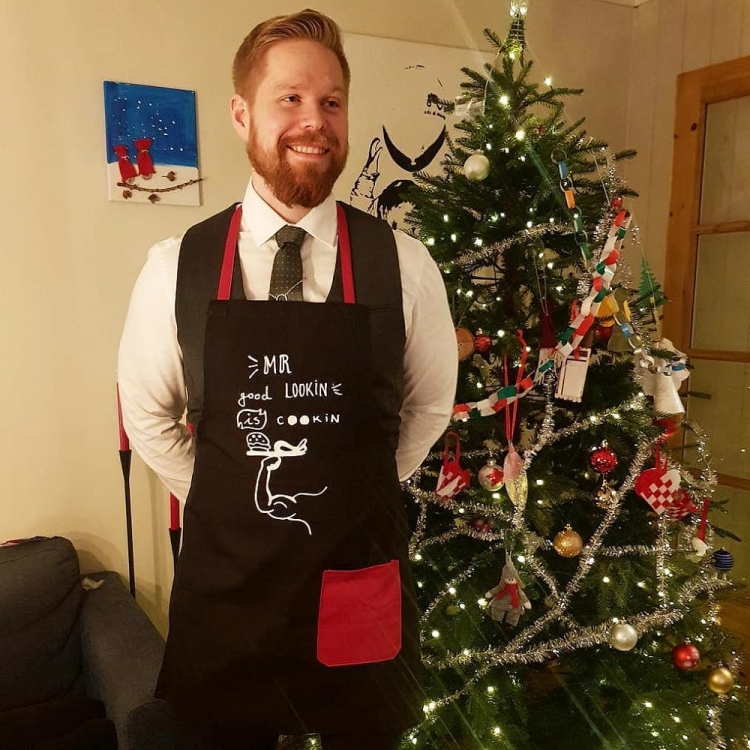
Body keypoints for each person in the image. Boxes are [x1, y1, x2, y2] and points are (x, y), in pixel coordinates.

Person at [117, 8, 457, 750]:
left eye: (332, 101)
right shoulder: (175, 266)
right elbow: (148, 416)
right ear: (242, 114)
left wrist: (357, 489)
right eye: (290, 98)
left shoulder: (404, 264)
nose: (314, 121)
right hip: (227, 597)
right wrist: (228, 499)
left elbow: (430, 407)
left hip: (356, 583)